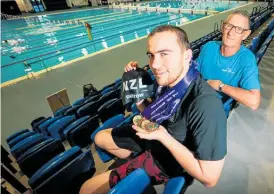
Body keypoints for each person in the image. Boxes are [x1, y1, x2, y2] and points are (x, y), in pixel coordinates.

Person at [80, 25, 227, 194]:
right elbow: (154, 114)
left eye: (164, 54)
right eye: (151, 55)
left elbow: (210, 178)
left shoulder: (205, 104)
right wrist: (138, 91)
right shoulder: (166, 80)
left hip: (166, 159)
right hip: (153, 137)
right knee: (100, 137)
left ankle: (138, 170)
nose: (155, 65)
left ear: (186, 56)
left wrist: (164, 137)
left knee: (86, 189)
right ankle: (133, 163)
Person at [196, 11, 261, 110]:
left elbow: (254, 102)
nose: (231, 33)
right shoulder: (209, 47)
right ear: (223, 27)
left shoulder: (246, 59)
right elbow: (194, 75)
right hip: (195, 103)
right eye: (229, 26)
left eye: (239, 29)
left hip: (215, 114)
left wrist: (221, 86)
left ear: (245, 34)